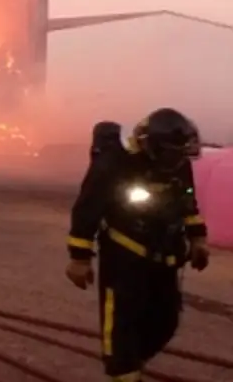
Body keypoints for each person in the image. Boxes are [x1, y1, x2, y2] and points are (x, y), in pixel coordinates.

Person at [66, 108, 211, 381]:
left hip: (166, 258)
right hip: (124, 258)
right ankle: (123, 371)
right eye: (172, 154)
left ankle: (132, 361)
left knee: (166, 322)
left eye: (182, 154)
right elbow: (87, 210)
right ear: (151, 146)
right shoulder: (115, 163)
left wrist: (198, 238)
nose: (178, 160)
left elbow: (187, 202)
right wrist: (79, 258)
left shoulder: (178, 162)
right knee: (121, 327)